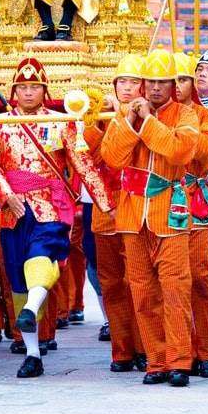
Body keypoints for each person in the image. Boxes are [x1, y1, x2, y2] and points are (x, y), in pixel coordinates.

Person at [0, 57, 109, 378]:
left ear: (44, 89)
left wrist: (106, 203)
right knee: (16, 277)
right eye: (22, 87)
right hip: (13, 210)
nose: (28, 93)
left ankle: (29, 311)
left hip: (50, 206)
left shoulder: (60, 121)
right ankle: (32, 351)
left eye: (34, 87)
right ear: (14, 90)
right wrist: (5, 194)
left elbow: (81, 162)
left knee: (41, 257)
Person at [99, 48, 199, 387]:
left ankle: (180, 361)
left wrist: (150, 122)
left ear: (173, 84)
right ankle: (155, 361)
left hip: (169, 209)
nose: (156, 88)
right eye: (150, 82)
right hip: (131, 214)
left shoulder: (186, 114)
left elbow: (180, 150)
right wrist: (130, 121)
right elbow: (112, 157)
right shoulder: (126, 114)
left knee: (175, 289)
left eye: (163, 82)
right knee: (141, 292)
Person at [83, 54, 148, 373]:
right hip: (104, 211)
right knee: (111, 285)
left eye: (134, 82)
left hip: (136, 211)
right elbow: (90, 156)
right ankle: (122, 350)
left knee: (140, 281)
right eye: (121, 81)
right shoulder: (102, 115)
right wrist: (99, 120)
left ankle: (145, 346)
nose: (126, 88)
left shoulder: (148, 116)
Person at [174, 52, 208, 378]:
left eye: (181, 79)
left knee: (202, 278)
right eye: (169, 80)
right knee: (170, 283)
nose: (175, 86)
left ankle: (206, 349)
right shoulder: (155, 115)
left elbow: (204, 149)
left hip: (196, 201)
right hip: (163, 201)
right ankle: (177, 352)